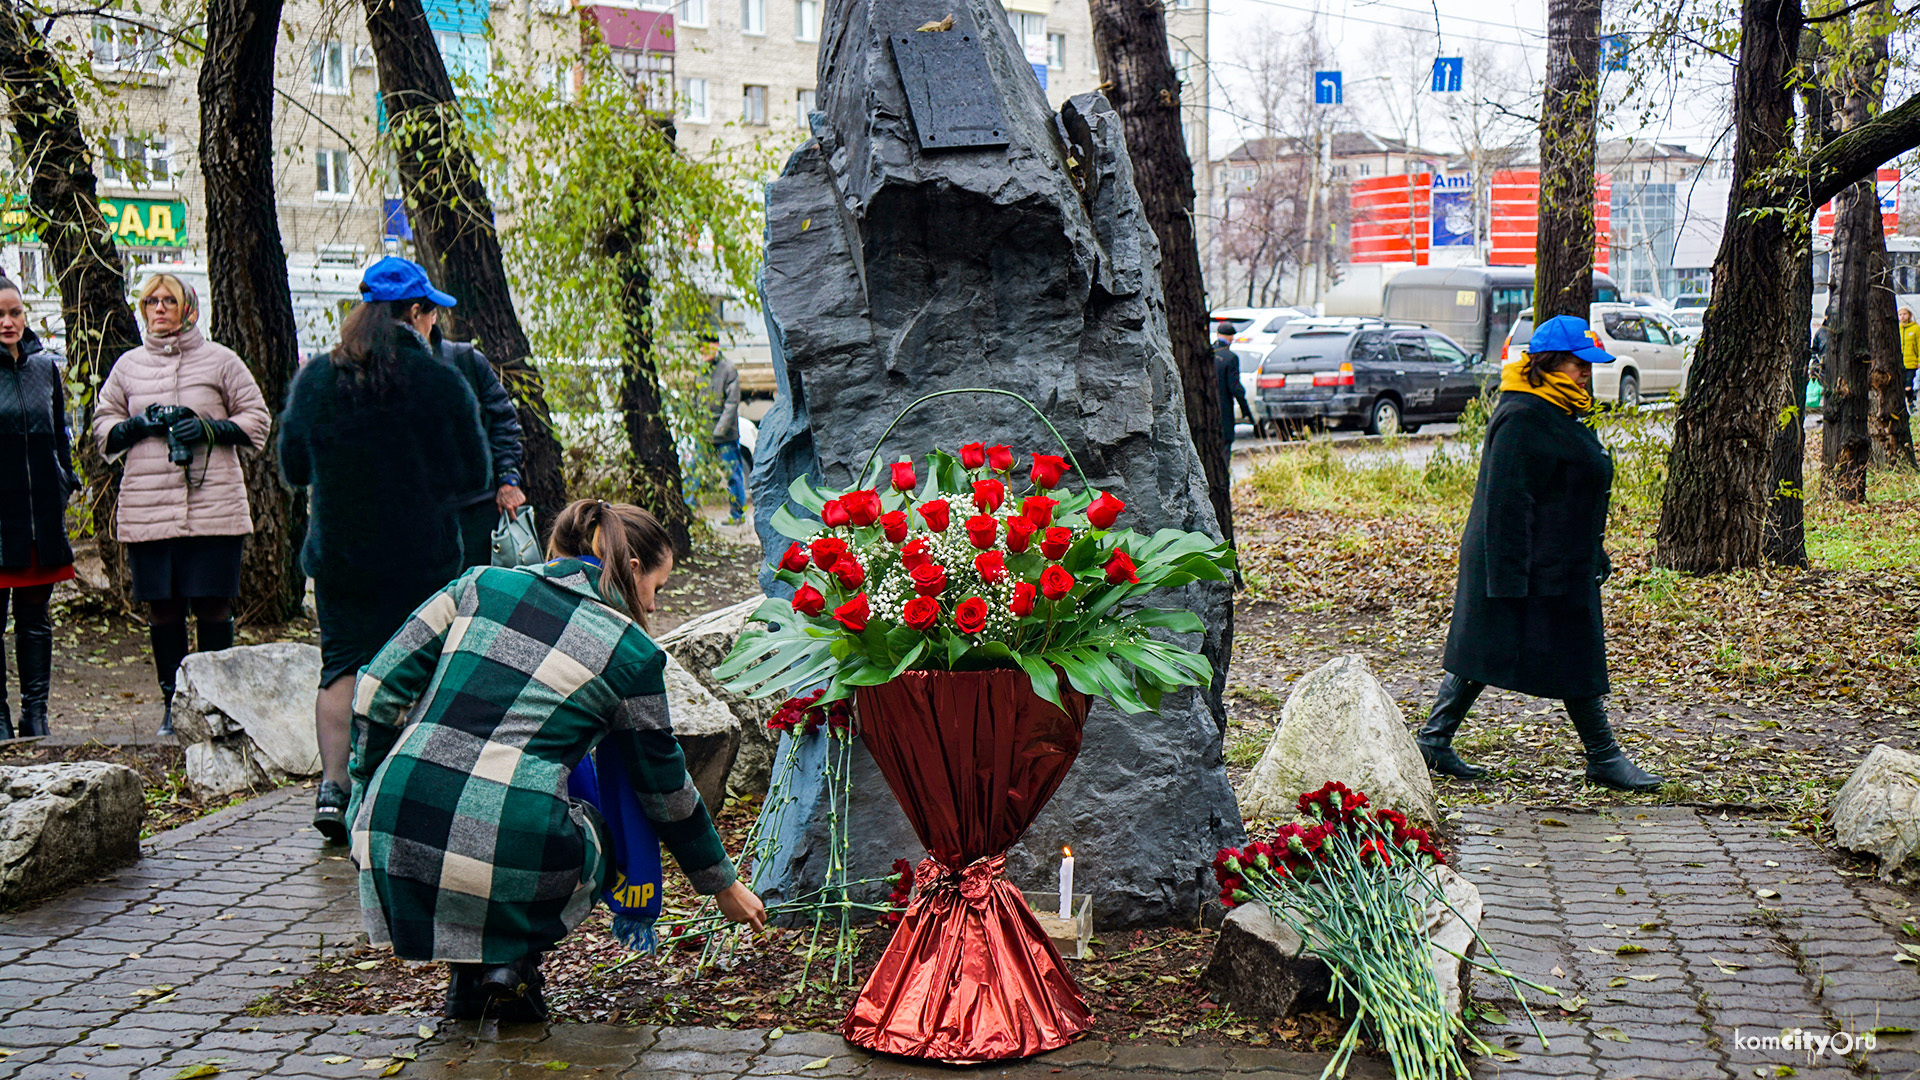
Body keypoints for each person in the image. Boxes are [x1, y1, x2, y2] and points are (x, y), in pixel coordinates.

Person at [349, 499, 766, 1021]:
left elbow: (375, 689)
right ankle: (514, 960)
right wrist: (722, 884)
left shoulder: (477, 584)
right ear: (632, 569)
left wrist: (366, 787)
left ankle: (467, 978)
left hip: (391, 829)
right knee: (590, 819)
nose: (655, 608)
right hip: (509, 852)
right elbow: (663, 786)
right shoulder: (631, 653)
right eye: (657, 590)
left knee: (503, 813)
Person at [279, 257, 489, 844]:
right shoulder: (440, 383)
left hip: (341, 557)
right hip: (422, 560)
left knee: (341, 666)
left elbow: (293, 466)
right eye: (430, 314)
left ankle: (334, 790)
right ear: (417, 314)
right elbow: (474, 473)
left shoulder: (318, 378)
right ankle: (408, 795)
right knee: (424, 670)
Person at [1417, 314, 1663, 793]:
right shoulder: (1524, 414)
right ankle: (1603, 755)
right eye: (1580, 364)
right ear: (1551, 363)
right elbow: (1507, 501)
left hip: (1559, 559)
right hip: (1526, 560)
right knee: (1567, 652)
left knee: (1493, 647)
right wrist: (1507, 581)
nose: (1588, 373)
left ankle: (1434, 739)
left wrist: (1594, 550)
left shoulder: (1556, 408)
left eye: (1591, 365)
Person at [94, 274, 271, 737]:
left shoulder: (221, 361)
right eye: (150, 301)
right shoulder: (128, 367)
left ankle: (218, 703)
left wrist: (210, 429)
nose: (158, 309)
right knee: (163, 609)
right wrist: (136, 426)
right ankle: (172, 705)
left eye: (167, 300)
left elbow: (257, 419)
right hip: (149, 511)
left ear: (187, 306)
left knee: (213, 607)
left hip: (213, 508)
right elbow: (102, 427)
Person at [407, 266, 526, 568]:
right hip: (413, 518)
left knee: (473, 602)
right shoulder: (373, 372)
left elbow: (504, 421)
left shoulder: (465, 361)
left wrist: (508, 479)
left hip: (474, 514)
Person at [0, 279, 77, 738]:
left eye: (14, 312)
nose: (7, 322)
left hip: (40, 517)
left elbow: (61, 434)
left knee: (34, 619)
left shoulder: (45, 367)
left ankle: (36, 713)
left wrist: (66, 481)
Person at [702, 332, 745, 525]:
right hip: (703, 435)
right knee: (693, 474)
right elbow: (697, 402)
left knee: (733, 476)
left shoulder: (728, 369)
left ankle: (737, 516)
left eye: (707, 345)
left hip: (725, 436)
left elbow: (731, 404)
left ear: (716, 345)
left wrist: (717, 432)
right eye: (700, 346)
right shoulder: (701, 370)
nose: (703, 350)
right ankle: (689, 516)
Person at [1213, 324, 1251, 450]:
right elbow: (1235, 387)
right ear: (1231, 337)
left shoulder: (1208, 354)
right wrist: (1245, 409)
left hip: (1205, 409)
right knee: (1225, 445)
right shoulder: (1231, 358)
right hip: (1224, 409)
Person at [1899, 308, 1919, 410]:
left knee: (1908, 384)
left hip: (1911, 362)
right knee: (1901, 385)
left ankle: (1910, 404)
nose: (1902, 316)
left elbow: (1919, 345)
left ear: (1909, 315)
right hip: (1899, 362)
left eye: (1904, 314)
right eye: (1900, 314)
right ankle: (1907, 402)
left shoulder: (1915, 328)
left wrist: (1919, 360)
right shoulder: (1897, 328)